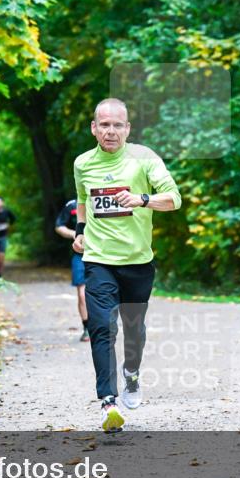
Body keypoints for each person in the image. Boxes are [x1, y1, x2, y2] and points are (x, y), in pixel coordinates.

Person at [72, 98, 181, 432]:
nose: (111, 131)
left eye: (118, 125)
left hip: (137, 261)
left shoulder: (143, 158)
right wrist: (79, 232)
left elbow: (174, 198)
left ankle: (131, 373)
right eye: (104, 124)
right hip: (99, 259)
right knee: (101, 327)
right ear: (94, 128)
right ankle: (108, 401)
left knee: (134, 330)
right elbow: (82, 201)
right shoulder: (82, 164)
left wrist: (142, 199)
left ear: (127, 129)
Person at [55, 198, 90, 342]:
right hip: (80, 255)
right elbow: (59, 226)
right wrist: (74, 234)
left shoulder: (101, 197)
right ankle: (87, 328)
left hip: (103, 254)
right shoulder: (72, 205)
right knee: (82, 294)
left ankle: (103, 326)